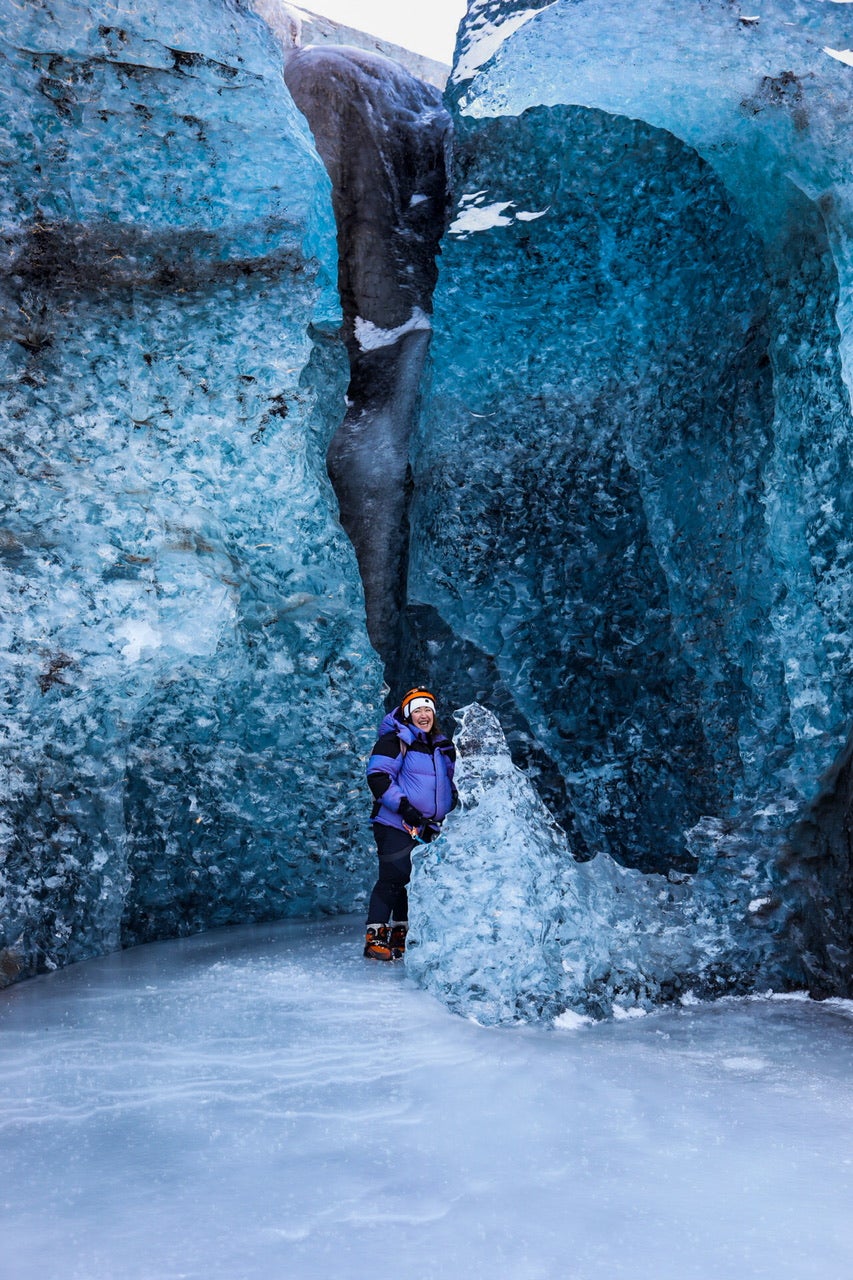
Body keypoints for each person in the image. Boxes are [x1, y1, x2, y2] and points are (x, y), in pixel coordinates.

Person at [364, 687, 457, 960]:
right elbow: (378, 776)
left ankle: (400, 933)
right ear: (407, 714)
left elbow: (453, 783)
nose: (424, 714)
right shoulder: (395, 740)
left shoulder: (441, 746)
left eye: (428, 709)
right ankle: (375, 937)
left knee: (412, 881)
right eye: (417, 709)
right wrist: (406, 808)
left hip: (429, 826)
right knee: (394, 876)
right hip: (396, 822)